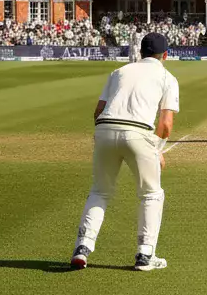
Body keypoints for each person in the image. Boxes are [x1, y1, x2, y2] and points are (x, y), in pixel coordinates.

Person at [70, 32, 179, 271]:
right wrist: (157, 150)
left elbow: (99, 110)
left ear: (140, 52)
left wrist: (101, 137)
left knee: (99, 191)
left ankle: (82, 247)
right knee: (151, 194)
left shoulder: (120, 71)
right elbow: (166, 124)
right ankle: (145, 254)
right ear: (165, 55)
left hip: (104, 129)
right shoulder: (167, 77)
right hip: (139, 134)